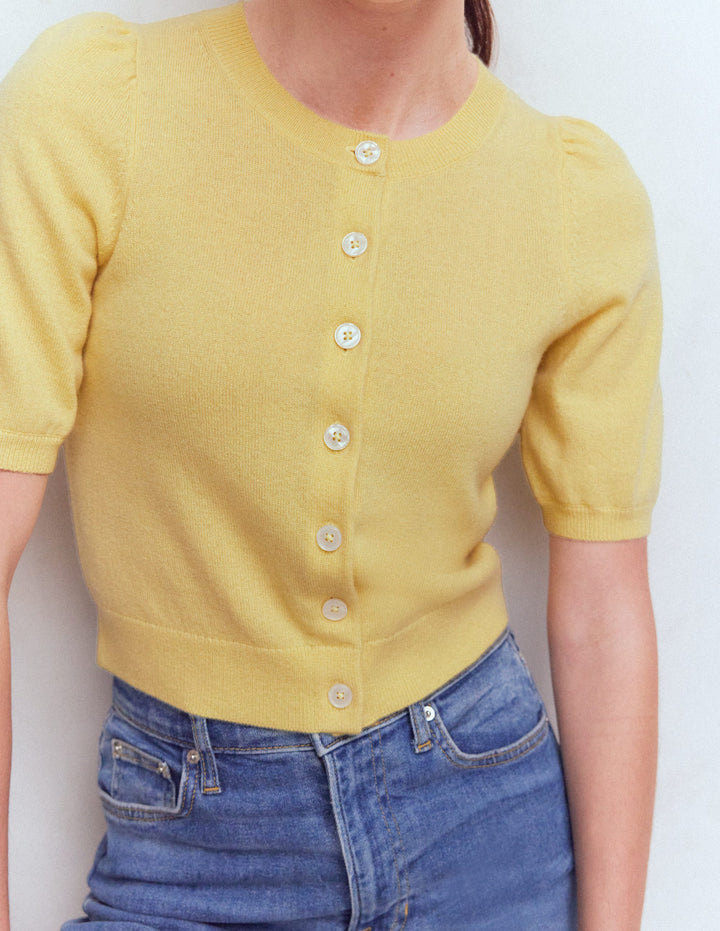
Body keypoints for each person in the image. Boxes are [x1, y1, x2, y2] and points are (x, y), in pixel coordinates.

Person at [0, 0, 662, 927]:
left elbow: (604, 608)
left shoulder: (576, 198)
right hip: (189, 855)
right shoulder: (99, 104)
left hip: (484, 827)